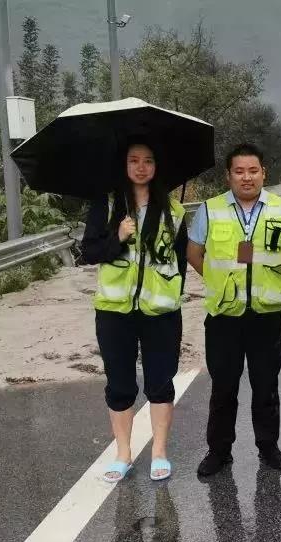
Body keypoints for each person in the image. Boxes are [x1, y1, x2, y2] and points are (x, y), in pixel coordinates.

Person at [187, 143, 281, 476]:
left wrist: (275, 274)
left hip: (267, 314)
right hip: (224, 316)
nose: (246, 177)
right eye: (239, 171)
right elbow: (194, 253)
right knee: (223, 386)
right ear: (229, 175)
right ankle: (219, 451)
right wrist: (218, 281)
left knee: (265, 385)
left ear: (263, 173)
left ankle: (268, 447)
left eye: (253, 171)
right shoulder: (210, 210)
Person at [81, 138, 188, 482]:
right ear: (124, 165)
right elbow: (90, 251)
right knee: (120, 383)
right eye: (134, 160)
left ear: (157, 167)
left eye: (149, 160)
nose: (141, 167)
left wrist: (171, 295)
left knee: (160, 381)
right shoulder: (108, 204)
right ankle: (123, 453)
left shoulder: (174, 210)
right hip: (115, 311)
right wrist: (119, 237)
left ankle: (159, 451)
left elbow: (181, 261)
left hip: (161, 313)